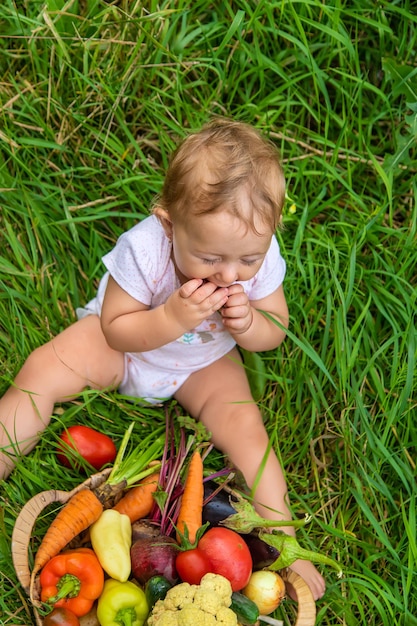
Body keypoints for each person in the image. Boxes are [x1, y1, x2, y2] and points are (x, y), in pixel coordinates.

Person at [0, 117, 325, 599]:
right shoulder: (146, 248)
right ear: (169, 223)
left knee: (246, 429)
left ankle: (286, 542)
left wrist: (249, 324)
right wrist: (172, 317)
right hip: (125, 349)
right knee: (42, 371)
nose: (229, 274)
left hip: (202, 364)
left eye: (247, 262)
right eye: (211, 259)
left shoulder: (257, 252)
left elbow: (276, 327)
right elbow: (116, 326)